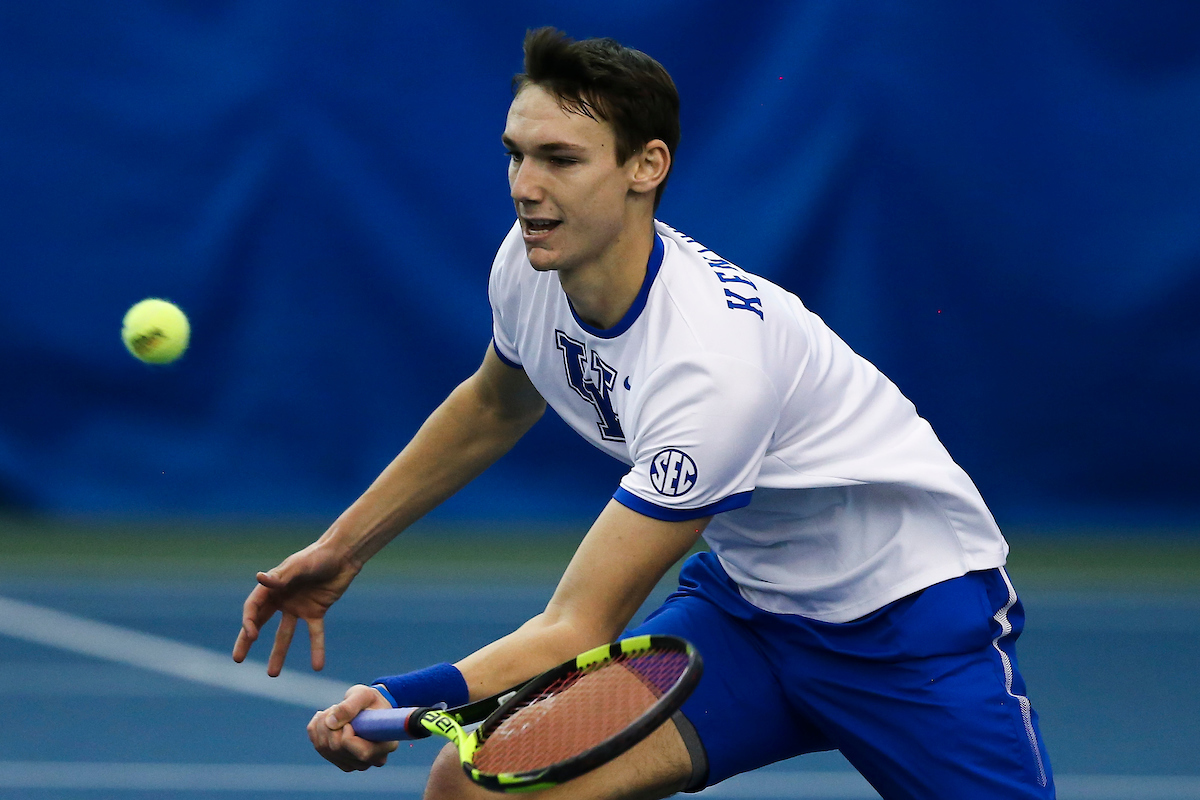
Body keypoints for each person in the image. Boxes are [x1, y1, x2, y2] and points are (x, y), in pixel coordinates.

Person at [232, 27, 1055, 800]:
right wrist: (344, 548)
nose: (526, 187)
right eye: (516, 155)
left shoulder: (711, 371)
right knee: (473, 785)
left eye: (560, 159)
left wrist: (391, 702)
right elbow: (494, 403)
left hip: (906, 627)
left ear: (645, 165)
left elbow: (574, 624)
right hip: (746, 616)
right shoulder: (530, 264)